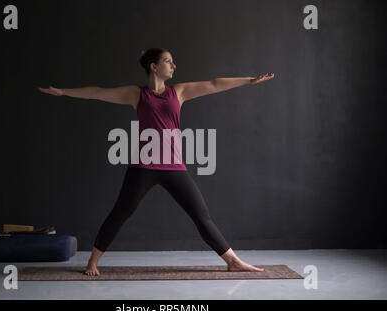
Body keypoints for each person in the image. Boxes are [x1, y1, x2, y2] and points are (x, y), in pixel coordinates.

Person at [39, 48, 275, 276]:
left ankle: (232, 261)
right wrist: (63, 91)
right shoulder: (136, 94)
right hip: (143, 167)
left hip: (174, 166)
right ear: (154, 66)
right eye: (168, 61)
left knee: (201, 214)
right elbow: (98, 92)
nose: (173, 65)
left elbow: (214, 84)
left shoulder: (179, 92)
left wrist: (248, 80)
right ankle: (93, 260)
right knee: (120, 213)